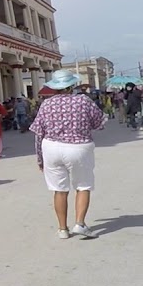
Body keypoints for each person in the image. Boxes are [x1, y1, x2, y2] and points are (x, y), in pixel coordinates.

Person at [29, 70, 107, 239]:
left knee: (59, 189)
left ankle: (63, 229)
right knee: (83, 185)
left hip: (51, 147)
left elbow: (38, 133)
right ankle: (79, 224)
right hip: (78, 147)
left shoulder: (46, 104)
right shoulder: (83, 101)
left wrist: (40, 158)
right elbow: (99, 123)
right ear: (72, 86)